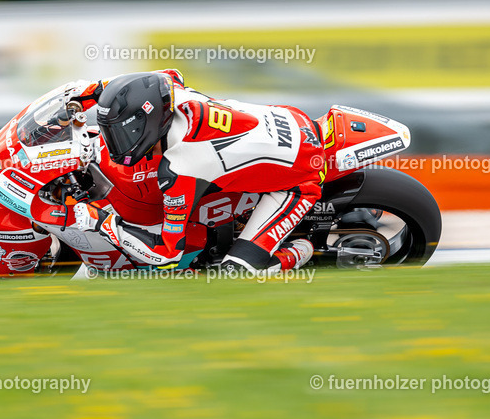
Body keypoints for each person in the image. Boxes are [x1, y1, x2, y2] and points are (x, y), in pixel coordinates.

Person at [68, 69, 323, 273]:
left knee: (237, 272)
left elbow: (166, 255)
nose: (115, 142)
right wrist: (91, 93)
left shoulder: (181, 165)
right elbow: (165, 74)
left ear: (148, 123)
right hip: (291, 120)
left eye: (123, 133)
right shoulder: (172, 92)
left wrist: (102, 223)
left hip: (300, 179)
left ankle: (303, 248)